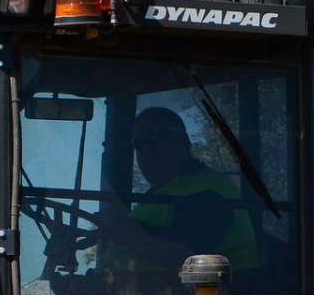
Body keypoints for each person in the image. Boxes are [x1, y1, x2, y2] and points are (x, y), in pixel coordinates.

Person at [97, 107, 259, 276]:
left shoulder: (209, 188)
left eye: (155, 139)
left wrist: (123, 229)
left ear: (183, 141)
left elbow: (187, 254)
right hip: (126, 290)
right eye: (139, 144)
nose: (146, 150)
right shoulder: (156, 196)